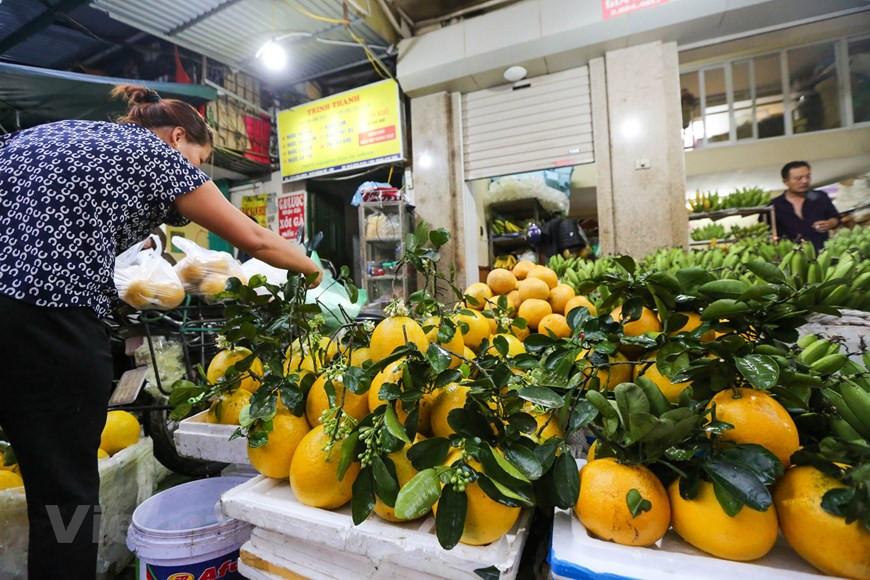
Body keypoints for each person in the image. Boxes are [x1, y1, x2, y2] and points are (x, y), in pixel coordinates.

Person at [0, 85, 321, 579]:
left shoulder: (54, 136)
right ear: (177, 137)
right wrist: (312, 270)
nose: (199, 172)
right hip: (49, 321)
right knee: (66, 491)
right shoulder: (156, 155)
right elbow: (255, 238)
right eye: (201, 160)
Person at [767, 161, 840, 250]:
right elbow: (766, 230)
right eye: (799, 178)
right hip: (790, 253)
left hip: (822, 250)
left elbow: (835, 217)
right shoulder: (775, 205)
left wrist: (829, 223)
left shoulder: (820, 197)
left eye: (808, 176)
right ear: (785, 181)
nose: (805, 181)